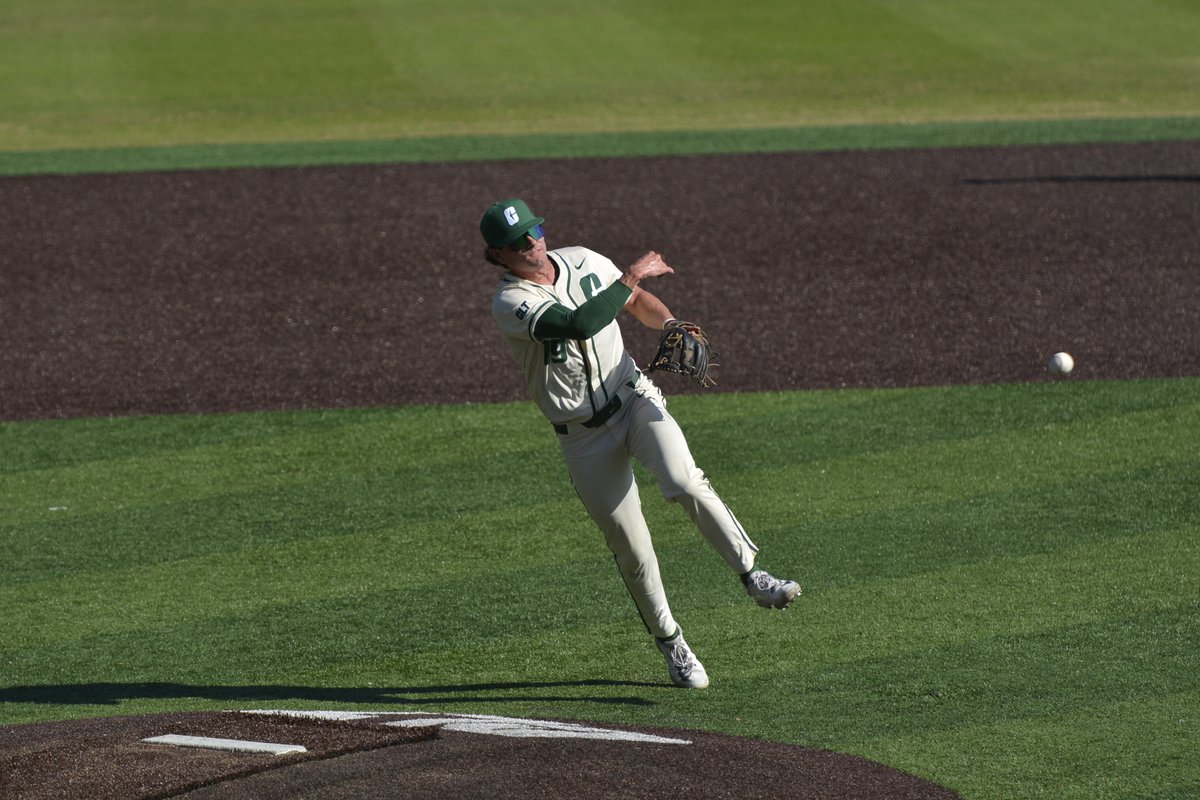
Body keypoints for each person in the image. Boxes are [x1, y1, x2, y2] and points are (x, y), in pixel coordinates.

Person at [481, 198, 800, 689]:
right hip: (582, 437)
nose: (532, 243)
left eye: (534, 230)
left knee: (683, 481)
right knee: (632, 547)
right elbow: (579, 323)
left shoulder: (584, 259)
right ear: (498, 255)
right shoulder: (511, 302)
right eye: (518, 241)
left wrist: (669, 322)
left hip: (632, 398)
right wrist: (631, 275)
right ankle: (672, 642)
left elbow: (633, 305)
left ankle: (752, 575)